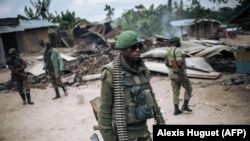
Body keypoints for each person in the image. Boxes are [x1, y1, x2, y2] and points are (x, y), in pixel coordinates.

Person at [98, 30, 165, 141]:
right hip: (124, 135)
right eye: (133, 47)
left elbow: (152, 99)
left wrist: (161, 121)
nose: (138, 50)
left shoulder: (142, 69)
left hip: (144, 132)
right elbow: (104, 111)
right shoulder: (110, 73)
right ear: (123, 50)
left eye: (140, 46)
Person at [164, 36, 193, 115]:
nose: (179, 43)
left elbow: (166, 64)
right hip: (179, 74)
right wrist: (183, 59)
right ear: (176, 43)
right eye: (179, 41)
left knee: (175, 91)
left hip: (171, 74)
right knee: (189, 88)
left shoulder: (167, 51)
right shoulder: (178, 50)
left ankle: (176, 109)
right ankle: (185, 105)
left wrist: (172, 68)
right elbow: (179, 62)